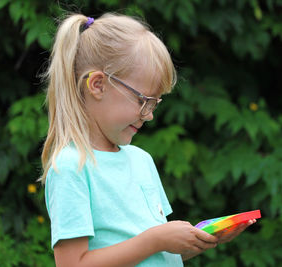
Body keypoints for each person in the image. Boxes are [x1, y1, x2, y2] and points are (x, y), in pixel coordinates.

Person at [39, 12, 256, 267]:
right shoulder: (71, 167)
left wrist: (203, 239)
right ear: (97, 85)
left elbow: (154, 254)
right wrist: (156, 239)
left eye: (155, 103)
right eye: (143, 100)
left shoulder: (141, 160)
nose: (150, 115)